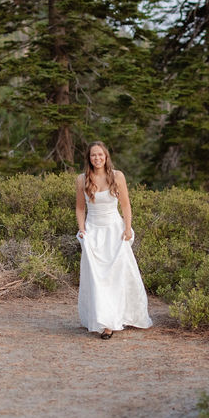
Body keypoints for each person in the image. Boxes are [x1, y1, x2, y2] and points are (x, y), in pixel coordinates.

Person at [75, 141, 152, 339]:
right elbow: (80, 208)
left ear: (106, 156)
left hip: (114, 231)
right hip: (93, 232)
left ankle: (114, 319)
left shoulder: (117, 176)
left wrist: (127, 228)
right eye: (93, 155)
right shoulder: (82, 179)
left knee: (116, 276)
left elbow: (126, 205)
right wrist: (82, 229)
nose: (97, 158)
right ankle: (101, 319)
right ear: (89, 158)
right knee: (96, 278)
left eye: (100, 155)